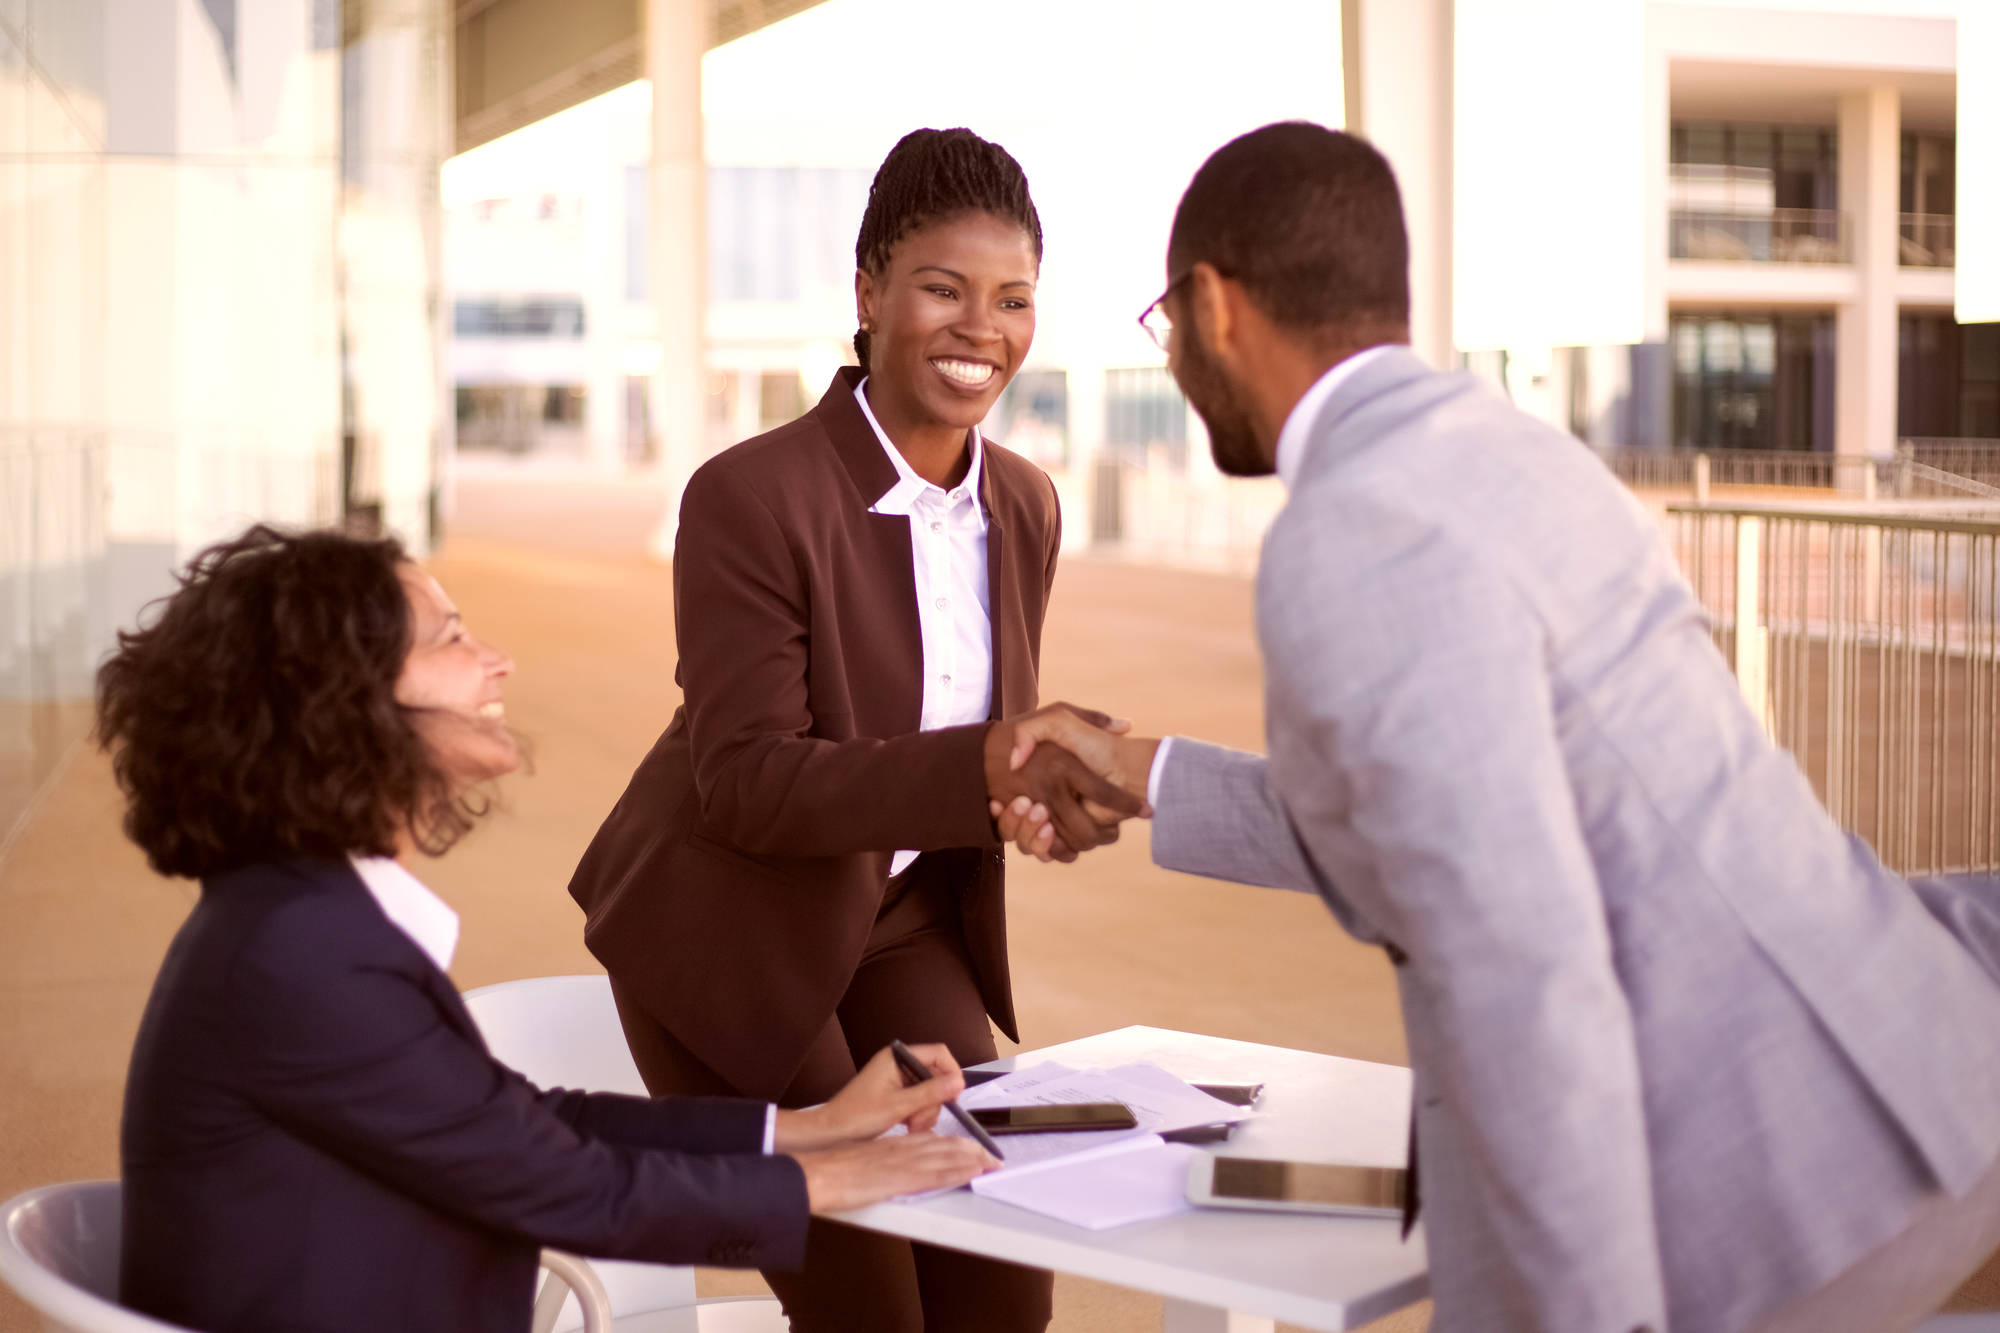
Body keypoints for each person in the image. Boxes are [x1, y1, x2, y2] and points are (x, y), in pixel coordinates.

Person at [995, 122, 2000, 1333]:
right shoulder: (1513, 456)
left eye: (1165, 326)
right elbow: (1437, 811)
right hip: (1886, 1059)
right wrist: (1145, 772)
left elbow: (1517, 965)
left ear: (1213, 307)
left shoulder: (1354, 529)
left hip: (1772, 1184)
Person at [103, 525, 997, 1333]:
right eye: (451, 638)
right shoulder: (309, 957)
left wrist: (808, 1128)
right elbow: (568, 1186)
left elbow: (521, 1123)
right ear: (337, 701)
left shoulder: (297, 918)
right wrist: (832, 1181)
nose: (498, 661)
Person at [566, 127, 1138, 1333]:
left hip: (901, 916)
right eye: (941, 287)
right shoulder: (749, 495)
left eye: (1012, 298)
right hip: (727, 917)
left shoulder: (1023, 505)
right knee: (868, 1303)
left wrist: (1032, 794)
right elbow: (748, 784)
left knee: (998, 1269)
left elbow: (953, 749)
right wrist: (985, 763)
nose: (979, 327)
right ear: (870, 293)